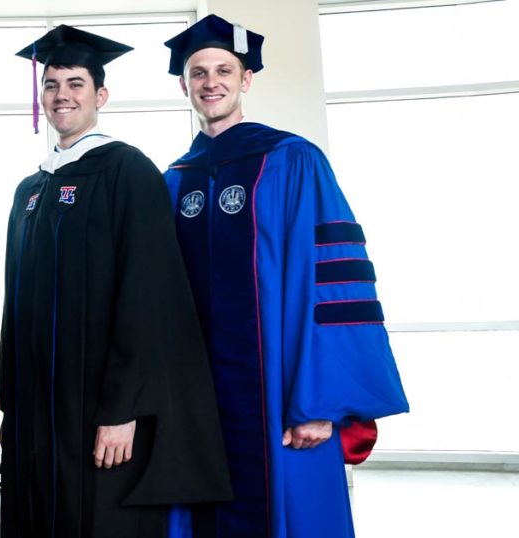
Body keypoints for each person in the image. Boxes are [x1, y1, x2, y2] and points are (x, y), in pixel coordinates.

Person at [161, 14, 410, 537]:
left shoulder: (293, 161)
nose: (211, 82)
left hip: (282, 400)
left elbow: (335, 284)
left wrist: (320, 404)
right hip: (198, 407)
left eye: (223, 70)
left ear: (245, 79)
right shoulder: (173, 180)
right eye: (199, 72)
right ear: (184, 83)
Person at [0, 25, 232, 538]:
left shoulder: (128, 172)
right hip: (38, 415)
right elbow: (15, 309)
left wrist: (124, 409)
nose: (63, 95)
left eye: (76, 83)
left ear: (100, 95)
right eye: (53, 84)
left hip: (100, 410)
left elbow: (147, 296)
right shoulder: (30, 191)